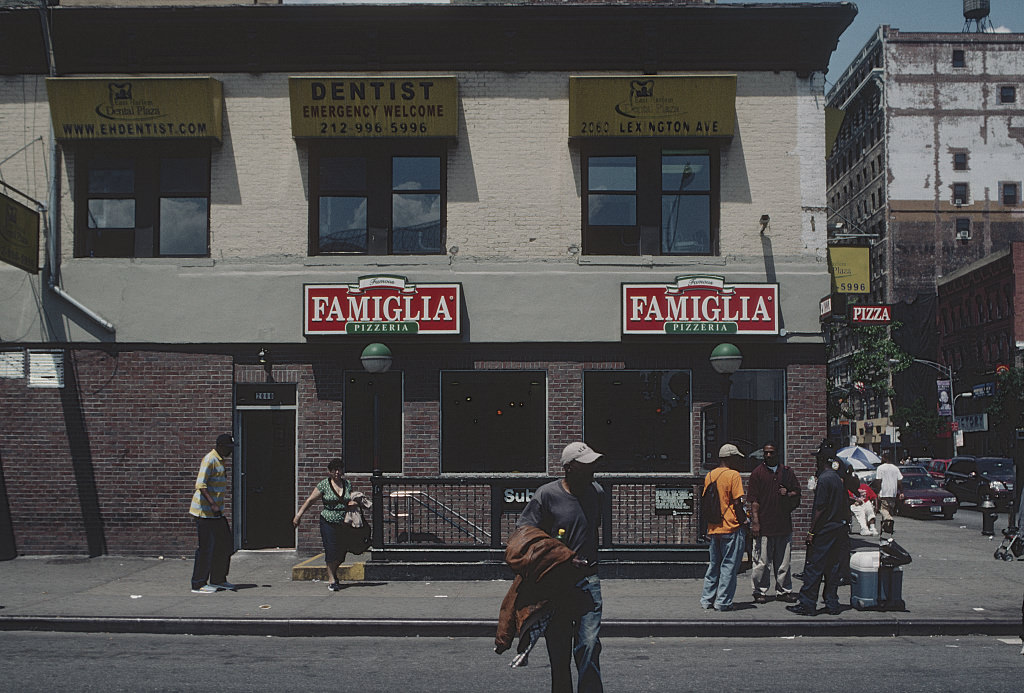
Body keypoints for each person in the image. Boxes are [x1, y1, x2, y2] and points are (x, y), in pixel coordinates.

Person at [516, 441, 604, 693]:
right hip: (557, 585)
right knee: (559, 651)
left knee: (588, 645)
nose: (592, 471)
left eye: (593, 465)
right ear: (568, 468)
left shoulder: (596, 492)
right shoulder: (546, 495)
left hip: (588, 581)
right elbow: (525, 534)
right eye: (585, 466)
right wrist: (559, 555)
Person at [787, 455, 851, 616]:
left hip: (824, 530)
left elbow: (820, 508)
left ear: (821, 462)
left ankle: (807, 604)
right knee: (832, 568)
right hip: (838, 528)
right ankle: (832, 603)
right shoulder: (837, 479)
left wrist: (811, 531)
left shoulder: (824, 479)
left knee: (814, 567)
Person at [293, 458, 361, 592]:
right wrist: (299, 515)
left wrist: (352, 504)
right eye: (334, 470)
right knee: (330, 549)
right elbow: (310, 500)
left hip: (343, 522)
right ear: (329, 472)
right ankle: (332, 579)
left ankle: (333, 572)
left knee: (341, 552)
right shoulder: (324, 485)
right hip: (327, 521)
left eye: (339, 469)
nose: (337, 472)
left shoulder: (347, 484)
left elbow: (348, 499)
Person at [748, 442, 801, 604]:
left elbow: (797, 494)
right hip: (764, 525)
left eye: (771, 452)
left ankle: (784, 591)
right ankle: (759, 591)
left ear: (778, 453)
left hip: (783, 524)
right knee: (761, 562)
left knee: (783, 561)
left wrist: (788, 493)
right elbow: (754, 501)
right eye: (766, 453)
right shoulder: (757, 473)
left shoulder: (787, 472)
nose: (768, 455)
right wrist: (755, 523)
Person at [700, 444, 747, 612]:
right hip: (731, 526)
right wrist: (744, 522)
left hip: (714, 527)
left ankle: (707, 599)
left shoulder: (710, 475)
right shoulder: (734, 475)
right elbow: (737, 503)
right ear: (730, 458)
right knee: (729, 566)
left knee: (714, 565)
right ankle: (723, 602)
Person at [189, 433, 236, 594]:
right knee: (206, 548)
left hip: (215, 514)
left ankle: (218, 579)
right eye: (229, 448)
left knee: (225, 545)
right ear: (220, 446)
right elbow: (201, 485)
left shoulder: (220, 460)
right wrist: (213, 504)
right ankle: (198, 583)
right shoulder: (210, 459)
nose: (231, 452)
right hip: (204, 513)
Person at [875, 453, 904, 527]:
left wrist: (878, 492)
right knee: (890, 510)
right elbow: (900, 481)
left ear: (884, 458)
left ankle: (889, 520)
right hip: (893, 493)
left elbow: (879, 481)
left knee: (883, 509)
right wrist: (901, 492)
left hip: (884, 492)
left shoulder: (880, 468)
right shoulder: (895, 468)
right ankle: (887, 526)